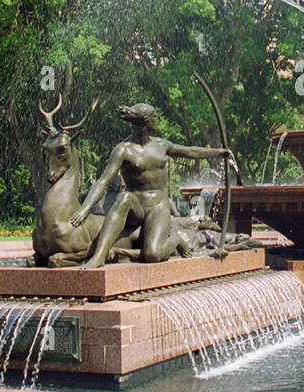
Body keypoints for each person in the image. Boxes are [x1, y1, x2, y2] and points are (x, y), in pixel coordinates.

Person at [69, 102, 233, 268]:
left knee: (152, 254)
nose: (158, 119)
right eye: (154, 116)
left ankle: (175, 240)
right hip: (136, 207)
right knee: (125, 196)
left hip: (158, 207)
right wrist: (85, 208)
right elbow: (103, 181)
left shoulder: (161, 145)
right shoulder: (123, 150)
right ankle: (99, 256)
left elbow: (190, 151)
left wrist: (219, 152)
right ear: (145, 121)